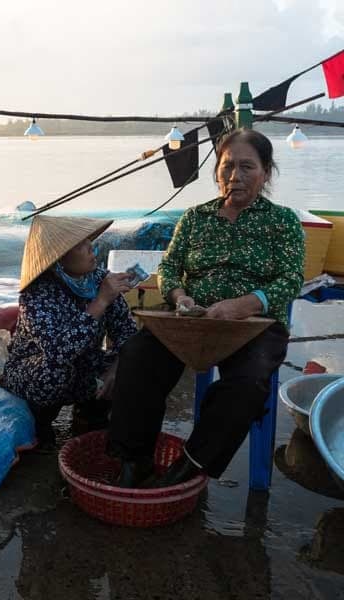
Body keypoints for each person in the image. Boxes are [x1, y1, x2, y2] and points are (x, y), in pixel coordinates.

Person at [107, 129, 305, 488]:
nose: (235, 176)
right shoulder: (195, 217)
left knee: (247, 384)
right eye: (227, 166)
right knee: (137, 356)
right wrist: (179, 297)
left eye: (247, 166)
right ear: (216, 171)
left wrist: (244, 305)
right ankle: (134, 460)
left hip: (254, 324)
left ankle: (189, 464)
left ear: (266, 173)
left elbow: (291, 279)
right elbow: (169, 266)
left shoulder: (283, 222)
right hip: (190, 319)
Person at [3, 216, 137, 449]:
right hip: (35, 372)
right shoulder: (36, 294)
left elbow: (128, 334)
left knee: (134, 364)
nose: (91, 249)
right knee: (55, 370)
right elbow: (58, 353)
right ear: (59, 258)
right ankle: (39, 424)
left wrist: (115, 370)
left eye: (89, 243)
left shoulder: (100, 280)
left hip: (85, 366)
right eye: (81, 246)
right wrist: (101, 301)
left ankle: (90, 414)